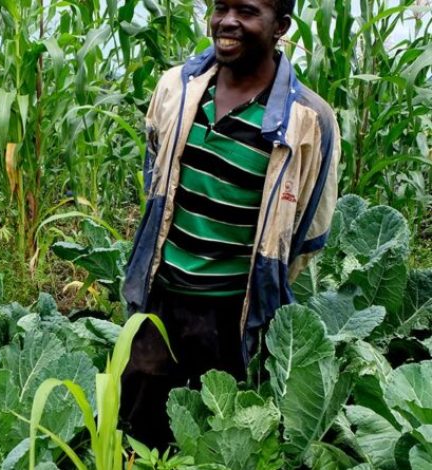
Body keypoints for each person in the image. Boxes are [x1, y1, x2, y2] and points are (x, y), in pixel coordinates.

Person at [120, 0, 341, 450]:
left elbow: (306, 232)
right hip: (159, 302)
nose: (228, 22)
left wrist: (263, 287)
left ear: (280, 26)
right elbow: (156, 182)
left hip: (233, 316)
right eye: (221, 7)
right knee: (136, 435)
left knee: (217, 441)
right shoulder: (176, 89)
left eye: (246, 11)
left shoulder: (308, 121)